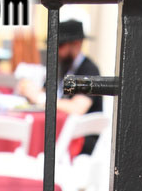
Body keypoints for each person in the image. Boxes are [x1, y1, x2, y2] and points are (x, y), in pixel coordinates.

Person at [17, 15, 103, 153]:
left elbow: (78, 108)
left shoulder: (89, 69)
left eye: (61, 45)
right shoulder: (60, 67)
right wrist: (30, 91)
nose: (57, 50)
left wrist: (41, 98)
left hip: (79, 141)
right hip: (57, 134)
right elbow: (44, 93)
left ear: (77, 44)